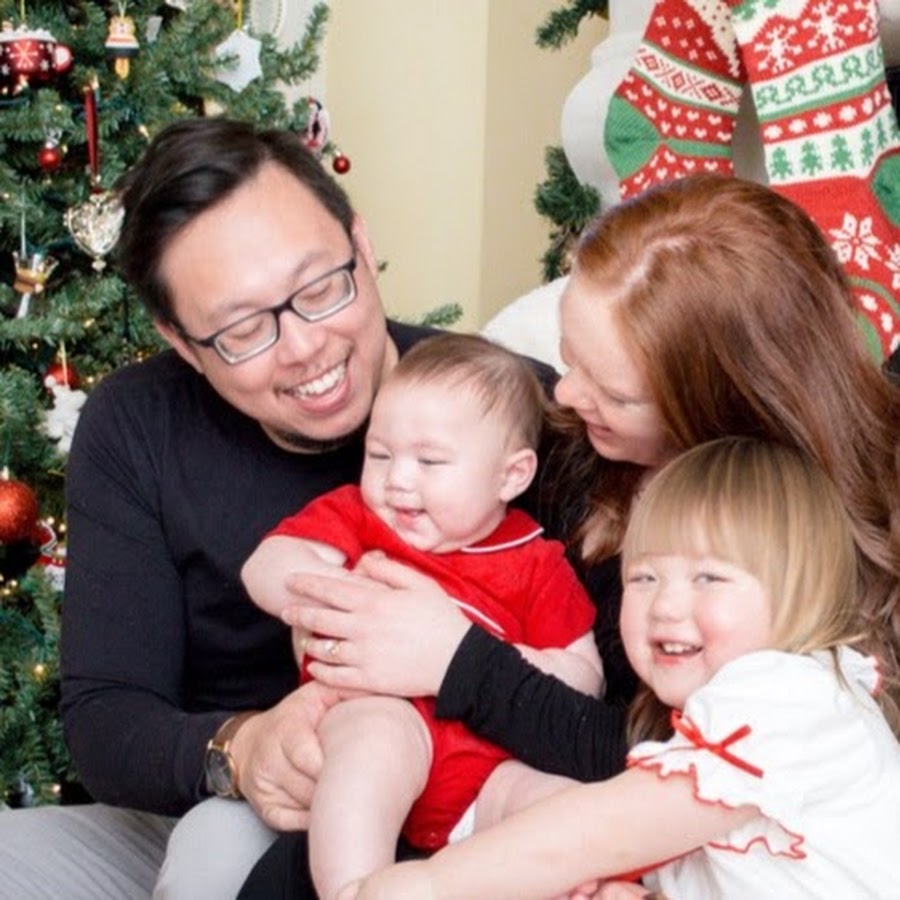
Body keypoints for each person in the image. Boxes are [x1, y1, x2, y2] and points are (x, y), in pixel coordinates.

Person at [238, 171, 900, 896]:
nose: (564, 392)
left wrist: (459, 661)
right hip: (459, 786)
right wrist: (329, 656)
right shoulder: (563, 450)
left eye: (611, 391)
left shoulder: (798, 585)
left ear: (721, 406)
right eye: (567, 356)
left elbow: (653, 776)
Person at [342, 437, 900, 900]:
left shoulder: (788, 697)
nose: (665, 606)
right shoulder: (716, 726)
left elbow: (601, 832)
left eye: (709, 578)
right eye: (644, 577)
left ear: (801, 591)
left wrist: (431, 885)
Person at [242, 332, 603, 900]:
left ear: (511, 476)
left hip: (490, 765)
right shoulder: (360, 518)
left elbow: (585, 676)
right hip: (379, 712)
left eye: (429, 461)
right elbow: (264, 566)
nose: (398, 479)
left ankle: (593, 886)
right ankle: (355, 888)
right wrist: (344, 597)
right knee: (372, 750)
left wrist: (493, 658)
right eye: (380, 455)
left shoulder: (536, 561)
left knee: (564, 805)